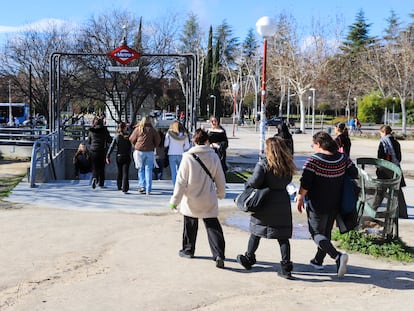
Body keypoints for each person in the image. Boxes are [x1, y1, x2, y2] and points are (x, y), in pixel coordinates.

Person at [296, 131, 358, 278]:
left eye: (313, 145)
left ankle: (337, 256)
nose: (313, 148)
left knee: (316, 234)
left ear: (318, 144)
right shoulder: (343, 158)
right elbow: (354, 172)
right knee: (326, 233)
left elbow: (306, 182)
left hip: (317, 204)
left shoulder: (313, 161)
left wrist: (300, 197)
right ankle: (318, 261)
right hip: (335, 203)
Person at [236, 136, 297, 279]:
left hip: (264, 200)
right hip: (282, 201)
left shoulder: (263, 164)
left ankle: (249, 258)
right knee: (282, 236)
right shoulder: (287, 164)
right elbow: (288, 180)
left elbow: (255, 182)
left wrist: (248, 183)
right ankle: (286, 267)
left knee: (256, 230)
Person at [169, 128, 226, 269]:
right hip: (208, 196)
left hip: (191, 198)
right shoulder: (213, 156)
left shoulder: (187, 157)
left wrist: (174, 201)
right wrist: (221, 194)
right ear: (207, 141)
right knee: (213, 226)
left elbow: (180, 182)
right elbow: (220, 178)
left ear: (194, 141)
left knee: (190, 224)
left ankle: (188, 250)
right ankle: (218, 254)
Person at [377, 125, 408, 219]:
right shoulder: (396, 142)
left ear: (383, 132)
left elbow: (380, 157)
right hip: (396, 168)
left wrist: (379, 170)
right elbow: (399, 158)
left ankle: (372, 211)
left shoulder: (383, 142)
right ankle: (403, 213)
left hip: (386, 170)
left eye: (380, 133)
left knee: (380, 191)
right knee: (398, 192)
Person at [129, 116, 160, 195]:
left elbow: (131, 138)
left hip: (139, 151)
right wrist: (154, 146)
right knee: (148, 170)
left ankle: (142, 186)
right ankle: (148, 189)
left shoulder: (138, 129)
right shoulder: (152, 130)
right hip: (150, 151)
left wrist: (135, 144)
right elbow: (158, 140)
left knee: (141, 169)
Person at [106, 122, 132, 193]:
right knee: (125, 172)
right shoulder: (128, 136)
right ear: (124, 128)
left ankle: (119, 185)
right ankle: (125, 188)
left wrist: (108, 155)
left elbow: (111, 147)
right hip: (126, 156)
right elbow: (130, 147)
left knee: (119, 171)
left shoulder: (116, 136)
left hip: (119, 156)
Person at [87, 117, 112, 189]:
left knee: (94, 166)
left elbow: (89, 141)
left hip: (93, 150)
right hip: (102, 150)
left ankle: (95, 178)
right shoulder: (104, 130)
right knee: (101, 167)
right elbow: (109, 139)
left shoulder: (91, 131)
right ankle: (101, 183)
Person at [164, 120, 190, 185]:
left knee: (173, 172)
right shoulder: (184, 135)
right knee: (181, 171)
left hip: (171, 154)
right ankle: (181, 184)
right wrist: (182, 148)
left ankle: (175, 185)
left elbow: (165, 144)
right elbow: (187, 146)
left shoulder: (169, 134)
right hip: (181, 154)